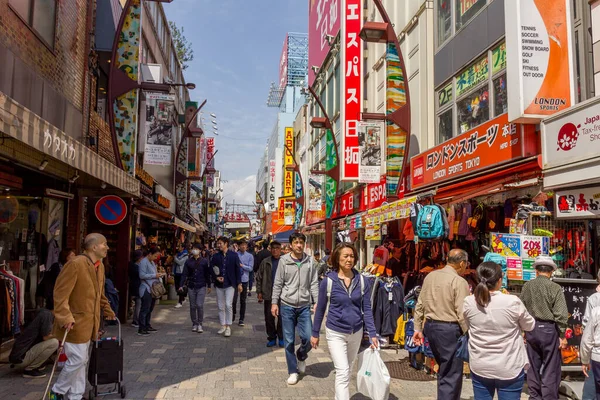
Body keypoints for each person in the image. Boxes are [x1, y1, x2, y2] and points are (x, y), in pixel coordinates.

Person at [49, 233, 116, 400]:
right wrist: (65, 317)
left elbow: (99, 294)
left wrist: (108, 310)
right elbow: (60, 294)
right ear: (94, 247)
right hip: (74, 322)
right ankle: (58, 390)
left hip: (90, 322)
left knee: (82, 360)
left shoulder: (98, 266)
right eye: (104, 244)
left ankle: (76, 395)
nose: (107, 247)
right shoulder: (75, 264)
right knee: (78, 359)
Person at [311, 243, 379, 400]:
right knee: (342, 370)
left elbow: (367, 309)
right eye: (345, 256)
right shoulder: (328, 282)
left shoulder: (362, 281)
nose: (349, 259)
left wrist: (372, 333)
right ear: (337, 258)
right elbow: (320, 309)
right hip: (335, 332)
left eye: (352, 256)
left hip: (356, 332)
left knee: (347, 370)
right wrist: (315, 333)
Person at [463, 262, 535, 399]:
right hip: (509, 365)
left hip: (480, 364)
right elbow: (529, 325)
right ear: (499, 280)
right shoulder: (512, 301)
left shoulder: (468, 302)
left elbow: (468, 325)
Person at [412, 248, 471, 400]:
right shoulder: (459, 281)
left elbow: (420, 304)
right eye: (466, 264)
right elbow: (462, 313)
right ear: (462, 263)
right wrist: (469, 334)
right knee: (451, 371)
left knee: (444, 369)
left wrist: (417, 328)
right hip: (449, 329)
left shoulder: (431, 276)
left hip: (430, 327)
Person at [271, 232, 319, 385]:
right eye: (296, 242)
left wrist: (316, 301)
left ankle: (301, 356)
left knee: (308, 337)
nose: (299, 245)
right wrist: (274, 302)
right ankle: (292, 371)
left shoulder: (310, 261)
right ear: (291, 244)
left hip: (304, 306)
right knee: (289, 340)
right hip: (287, 305)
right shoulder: (284, 261)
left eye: (301, 242)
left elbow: (313, 283)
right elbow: (278, 283)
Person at [520, 255, 569, 400]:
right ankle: (549, 397)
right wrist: (562, 335)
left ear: (536, 270)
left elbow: (521, 309)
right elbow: (561, 314)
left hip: (531, 328)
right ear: (551, 271)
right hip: (548, 330)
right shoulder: (554, 287)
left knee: (532, 366)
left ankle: (534, 396)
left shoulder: (527, 286)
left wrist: (523, 330)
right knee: (550, 367)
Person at [9, 308, 59, 378]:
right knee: (54, 342)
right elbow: (46, 337)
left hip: (19, 356)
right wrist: (60, 335)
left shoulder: (43, 312)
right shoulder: (47, 315)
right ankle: (30, 369)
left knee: (53, 340)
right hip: (20, 358)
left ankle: (38, 364)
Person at [210, 236, 242, 337]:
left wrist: (239, 283)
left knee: (228, 305)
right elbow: (211, 268)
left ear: (226, 243)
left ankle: (228, 326)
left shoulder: (234, 255)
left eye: (220, 243)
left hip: (230, 284)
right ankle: (222, 325)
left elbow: (238, 270)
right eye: (218, 243)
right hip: (219, 285)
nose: (218, 245)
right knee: (220, 306)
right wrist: (216, 277)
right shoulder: (215, 256)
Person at [256, 240, 284, 347]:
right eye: (273, 248)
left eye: (277, 248)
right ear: (270, 249)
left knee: (282, 317)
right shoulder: (265, 262)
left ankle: (281, 337)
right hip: (268, 293)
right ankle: (272, 337)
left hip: (283, 294)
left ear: (280, 249)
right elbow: (259, 277)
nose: (275, 250)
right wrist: (259, 291)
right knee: (269, 317)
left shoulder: (285, 261)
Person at [181, 243, 211, 333]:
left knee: (199, 305)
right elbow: (184, 273)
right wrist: (180, 285)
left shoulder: (204, 261)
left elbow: (207, 274)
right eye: (193, 248)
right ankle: (194, 323)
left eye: (197, 249)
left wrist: (209, 285)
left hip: (201, 285)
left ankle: (200, 323)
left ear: (200, 251)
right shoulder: (188, 261)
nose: (195, 250)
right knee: (192, 306)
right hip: (191, 286)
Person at [138, 248, 165, 336]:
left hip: (152, 289)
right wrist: (154, 275)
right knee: (145, 308)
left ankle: (147, 325)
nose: (156, 257)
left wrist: (159, 274)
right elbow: (141, 275)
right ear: (149, 254)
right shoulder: (143, 262)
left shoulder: (152, 262)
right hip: (146, 288)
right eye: (155, 255)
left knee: (150, 309)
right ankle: (141, 328)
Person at [582, 277, 600, 399]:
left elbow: (587, 338)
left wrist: (584, 360)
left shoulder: (594, 301)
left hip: (597, 354)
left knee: (594, 385)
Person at [233, 240, 253, 326]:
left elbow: (250, 268)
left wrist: (242, 266)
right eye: (242, 245)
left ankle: (241, 319)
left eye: (245, 245)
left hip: (244, 279)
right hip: (235, 280)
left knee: (243, 300)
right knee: (233, 300)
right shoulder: (235, 255)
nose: (244, 247)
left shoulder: (250, 256)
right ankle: (233, 314)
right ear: (239, 246)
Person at [128, 250, 144, 328]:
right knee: (139, 303)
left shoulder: (134, 265)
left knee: (139, 303)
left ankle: (136, 319)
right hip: (137, 286)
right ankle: (136, 320)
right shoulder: (134, 266)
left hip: (136, 286)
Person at [172, 243, 189, 309]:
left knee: (180, 287)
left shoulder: (185, 255)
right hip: (176, 272)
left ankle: (180, 302)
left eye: (179, 246)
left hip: (182, 273)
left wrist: (175, 258)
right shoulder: (178, 254)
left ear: (183, 248)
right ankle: (183, 299)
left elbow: (180, 262)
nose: (178, 247)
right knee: (177, 287)